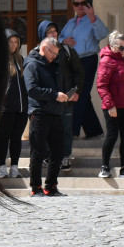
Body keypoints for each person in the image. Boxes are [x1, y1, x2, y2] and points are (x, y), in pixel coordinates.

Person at [23, 37, 71, 197]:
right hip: (40, 113)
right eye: (53, 53)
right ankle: (35, 187)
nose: (55, 56)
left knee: (58, 152)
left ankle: (51, 186)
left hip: (56, 112)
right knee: (38, 152)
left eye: (57, 53)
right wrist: (54, 95)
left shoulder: (54, 65)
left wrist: (63, 95)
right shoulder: (32, 64)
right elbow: (32, 89)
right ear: (44, 48)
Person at [58, 0, 109, 141]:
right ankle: (94, 132)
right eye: (76, 4)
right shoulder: (71, 22)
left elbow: (102, 34)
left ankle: (72, 132)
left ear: (88, 4)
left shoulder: (92, 20)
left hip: (87, 60)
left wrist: (92, 16)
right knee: (83, 96)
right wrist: (64, 41)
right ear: (73, 6)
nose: (80, 6)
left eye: (83, 3)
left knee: (78, 95)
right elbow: (60, 37)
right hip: (72, 62)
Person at [96, 31, 124, 179]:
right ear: (113, 46)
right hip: (113, 106)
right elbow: (102, 85)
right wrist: (110, 105)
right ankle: (105, 167)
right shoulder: (106, 60)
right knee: (111, 136)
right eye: (121, 48)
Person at [40, 20, 84, 171]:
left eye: (55, 31)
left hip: (66, 98)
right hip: (47, 99)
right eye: (49, 32)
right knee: (46, 129)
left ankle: (65, 157)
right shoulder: (38, 52)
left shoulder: (66, 50)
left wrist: (76, 91)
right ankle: (47, 156)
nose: (53, 34)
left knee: (65, 128)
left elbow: (79, 71)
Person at [0, 29, 28, 179]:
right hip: (5, 107)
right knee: (3, 138)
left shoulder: (21, 59)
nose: (13, 45)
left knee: (16, 138)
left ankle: (14, 167)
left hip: (21, 108)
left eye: (16, 42)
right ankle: (1, 167)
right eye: (10, 42)